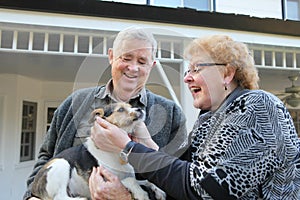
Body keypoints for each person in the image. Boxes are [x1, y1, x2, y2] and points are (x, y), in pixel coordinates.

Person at [90, 35, 300, 199]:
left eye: (196, 69)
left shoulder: (256, 106)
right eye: (188, 70)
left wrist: (129, 148)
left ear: (227, 74)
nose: (186, 78)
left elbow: (207, 187)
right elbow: (181, 179)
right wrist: (145, 142)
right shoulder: (209, 119)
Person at [23, 26, 188, 200]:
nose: (133, 68)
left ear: (151, 66)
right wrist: (31, 196)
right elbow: (46, 158)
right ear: (111, 56)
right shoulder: (74, 103)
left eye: (142, 61)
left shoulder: (172, 114)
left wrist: (126, 197)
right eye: (126, 58)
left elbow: (181, 185)